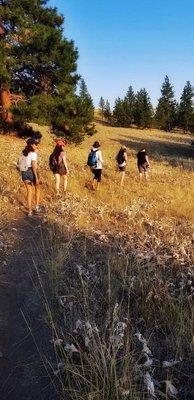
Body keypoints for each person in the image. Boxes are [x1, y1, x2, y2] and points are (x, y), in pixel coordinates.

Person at [19, 138, 41, 216]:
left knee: (29, 191)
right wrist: (36, 178)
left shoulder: (23, 153)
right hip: (31, 171)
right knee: (37, 188)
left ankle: (29, 211)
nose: (36, 145)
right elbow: (34, 166)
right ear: (32, 145)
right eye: (35, 144)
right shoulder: (33, 154)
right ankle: (37, 207)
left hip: (24, 173)